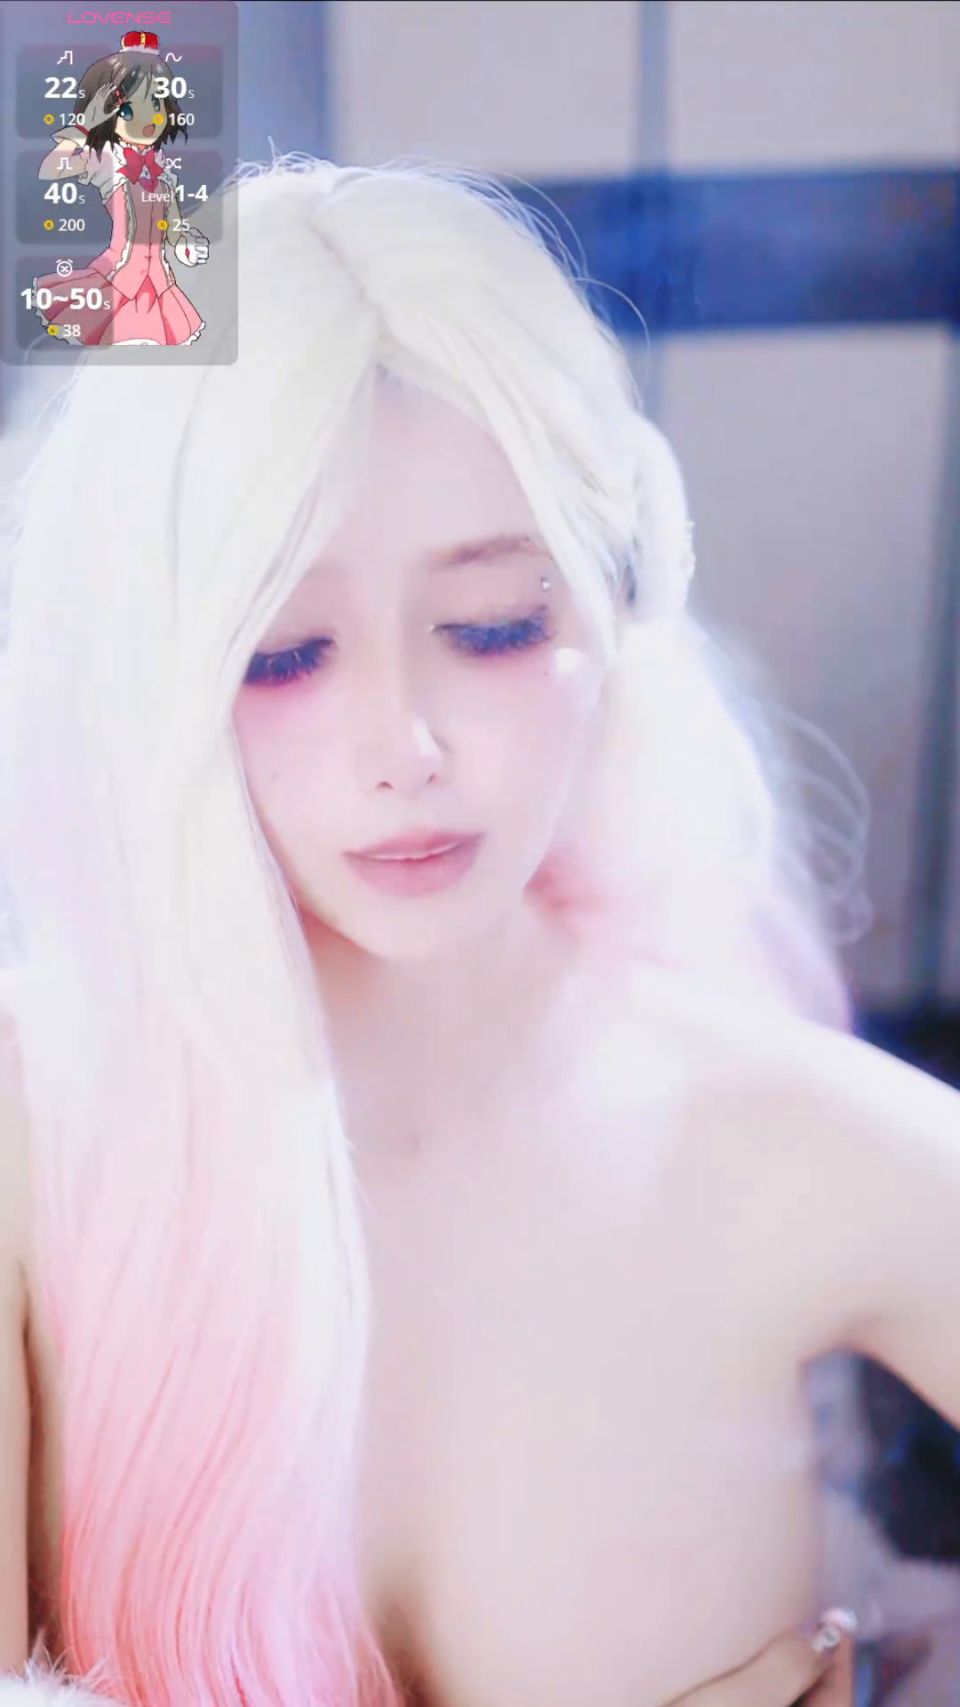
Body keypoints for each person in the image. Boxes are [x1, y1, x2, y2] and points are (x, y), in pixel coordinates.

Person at [0, 154, 954, 1704]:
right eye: (283, 652)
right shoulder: (33, 1129)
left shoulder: (780, 1139)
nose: (406, 744)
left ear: (616, 613)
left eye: (495, 624)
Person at [32, 28, 208, 349]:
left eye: (156, 103)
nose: (148, 119)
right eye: (127, 110)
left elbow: (173, 226)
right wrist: (85, 126)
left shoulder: (163, 170)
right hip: (116, 283)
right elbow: (49, 169)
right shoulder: (106, 159)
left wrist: (185, 243)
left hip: (160, 289)